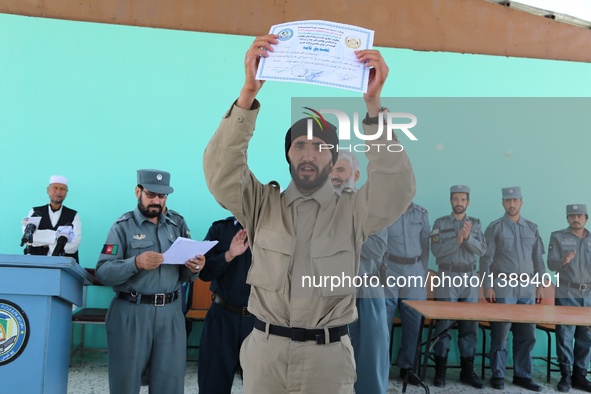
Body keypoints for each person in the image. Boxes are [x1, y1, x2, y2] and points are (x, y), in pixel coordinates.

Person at [203, 34, 416, 393]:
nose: (308, 153)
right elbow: (221, 171)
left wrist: (374, 105)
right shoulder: (261, 204)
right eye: (300, 145)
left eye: (320, 147)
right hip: (265, 354)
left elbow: (396, 188)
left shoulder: (353, 211)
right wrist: (248, 93)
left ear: (332, 159)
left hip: (328, 359)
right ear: (288, 155)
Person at [95, 169, 204, 394]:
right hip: (131, 313)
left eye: (162, 196)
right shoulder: (122, 226)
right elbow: (103, 272)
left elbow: (184, 275)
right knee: (125, 383)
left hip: (171, 315)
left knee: (170, 384)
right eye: (151, 194)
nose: (156, 201)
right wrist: (135, 263)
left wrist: (194, 268)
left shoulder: (177, 224)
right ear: (138, 191)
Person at [329, 151, 390, 394]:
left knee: (369, 369)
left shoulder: (370, 206)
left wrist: (338, 235)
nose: (334, 176)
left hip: (364, 294)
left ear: (355, 174)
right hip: (327, 294)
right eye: (331, 170)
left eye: (340, 170)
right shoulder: (318, 207)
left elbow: (376, 248)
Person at [480, 186, 545, 392]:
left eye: (515, 200)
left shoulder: (532, 228)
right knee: (501, 333)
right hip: (503, 286)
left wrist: (540, 285)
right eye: (508, 201)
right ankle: (498, 374)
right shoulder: (495, 228)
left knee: (527, 334)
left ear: (521, 202)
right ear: (503, 203)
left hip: (527, 288)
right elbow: (486, 261)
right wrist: (487, 286)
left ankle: (522, 375)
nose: (512, 204)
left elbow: (538, 261)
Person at [430, 185, 485, 388]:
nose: (459, 203)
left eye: (463, 199)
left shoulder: (476, 225)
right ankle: (440, 371)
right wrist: (457, 240)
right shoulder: (440, 223)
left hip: (470, 277)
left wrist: (468, 238)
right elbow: (436, 250)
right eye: (455, 199)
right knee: (443, 324)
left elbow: (482, 250)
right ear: (451, 201)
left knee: (469, 325)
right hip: (447, 276)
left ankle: (467, 371)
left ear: (468, 202)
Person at [198, 216, 254, 394]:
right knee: (213, 385)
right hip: (222, 318)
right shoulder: (219, 229)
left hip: (260, 322)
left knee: (263, 385)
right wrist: (228, 255)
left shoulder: (273, 228)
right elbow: (204, 273)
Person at [384, 201, 429, 385]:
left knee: (414, 323)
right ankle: (382, 366)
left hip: (414, 270)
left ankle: (407, 368)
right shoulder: (385, 211)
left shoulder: (421, 214)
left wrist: (422, 273)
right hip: (389, 269)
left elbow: (426, 246)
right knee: (382, 321)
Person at [547, 204, 591, 393]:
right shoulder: (558, 236)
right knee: (565, 335)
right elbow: (550, 263)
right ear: (567, 219)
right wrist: (562, 261)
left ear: (586, 218)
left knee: (586, 336)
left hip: (588, 294)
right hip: (567, 292)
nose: (576, 219)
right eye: (572, 216)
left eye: (579, 215)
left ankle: (580, 375)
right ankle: (565, 376)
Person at [23, 175, 82, 262]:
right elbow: (29, 237)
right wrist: (58, 238)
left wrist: (46, 242)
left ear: (66, 192)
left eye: (62, 189)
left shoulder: (73, 215)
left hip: (64, 265)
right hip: (35, 261)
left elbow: (75, 243)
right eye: (55, 188)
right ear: (48, 190)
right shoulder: (35, 212)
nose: (58, 191)